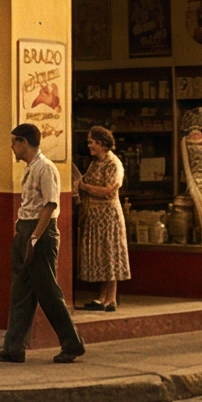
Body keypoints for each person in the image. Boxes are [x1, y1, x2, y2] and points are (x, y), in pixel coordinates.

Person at [0, 123, 84, 364]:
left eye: (14, 142)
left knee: (48, 291)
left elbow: (50, 205)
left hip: (39, 232)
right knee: (21, 291)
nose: (11, 147)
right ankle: (13, 348)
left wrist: (34, 237)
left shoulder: (45, 168)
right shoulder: (31, 168)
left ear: (24, 142)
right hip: (26, 228)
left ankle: (72, 343)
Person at [76, 126, 130, 313]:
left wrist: (85, 187)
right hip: (94, 216)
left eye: (91, 142)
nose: (89, 145)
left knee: (110, 255)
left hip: (108, 217)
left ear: (101, 143)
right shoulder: (95, 163)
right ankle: (101, 297)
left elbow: (109, 190)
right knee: (99, 255)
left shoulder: (113, 163)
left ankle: (111, 298)